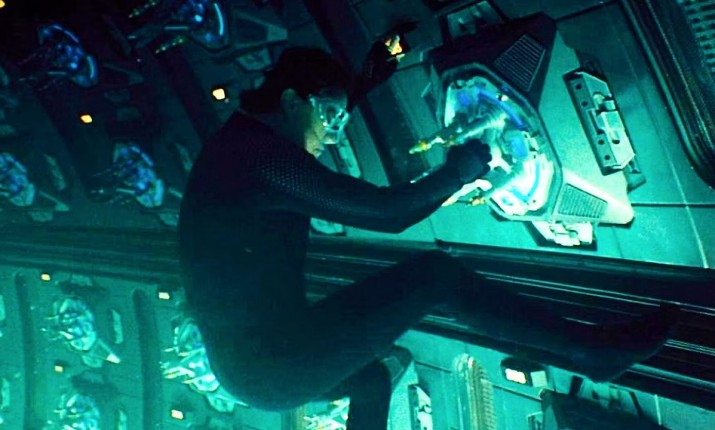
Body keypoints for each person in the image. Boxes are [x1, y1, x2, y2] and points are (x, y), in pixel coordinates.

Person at [178, 46, 678, 429]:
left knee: (372, 379)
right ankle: (591, 352)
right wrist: (460, 169)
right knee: (435, 278)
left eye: (339, 118)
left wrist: (364, 82)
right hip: (273, 361)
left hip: (255, 361)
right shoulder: (261, 160)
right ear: (290, 102)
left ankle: (592, 352)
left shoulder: (241, 146)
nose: (332, 134)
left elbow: (314, 116)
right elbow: (387, 212)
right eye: (327, 117)